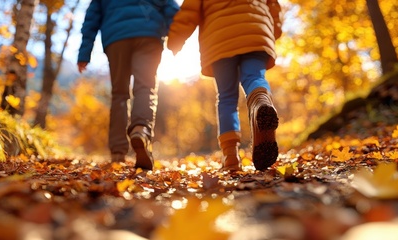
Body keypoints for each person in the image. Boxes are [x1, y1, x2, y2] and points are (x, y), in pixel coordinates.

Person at [167, 0, 282, 171]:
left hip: (219, 38)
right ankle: (261, 102)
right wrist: (273, 30)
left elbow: (189, 11)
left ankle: (230, 157)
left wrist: (175, 38)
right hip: (256, 30)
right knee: (254, 78)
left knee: (227, 97)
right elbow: (273, 5)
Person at [77, 0, 180, 170]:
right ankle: (141, 130)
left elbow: (91, 18)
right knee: (145, 87)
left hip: (116, 37)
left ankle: (118, 152)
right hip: (149, 34)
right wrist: (176, 39)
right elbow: (171, 8)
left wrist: (84, 52)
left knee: (119, 94)